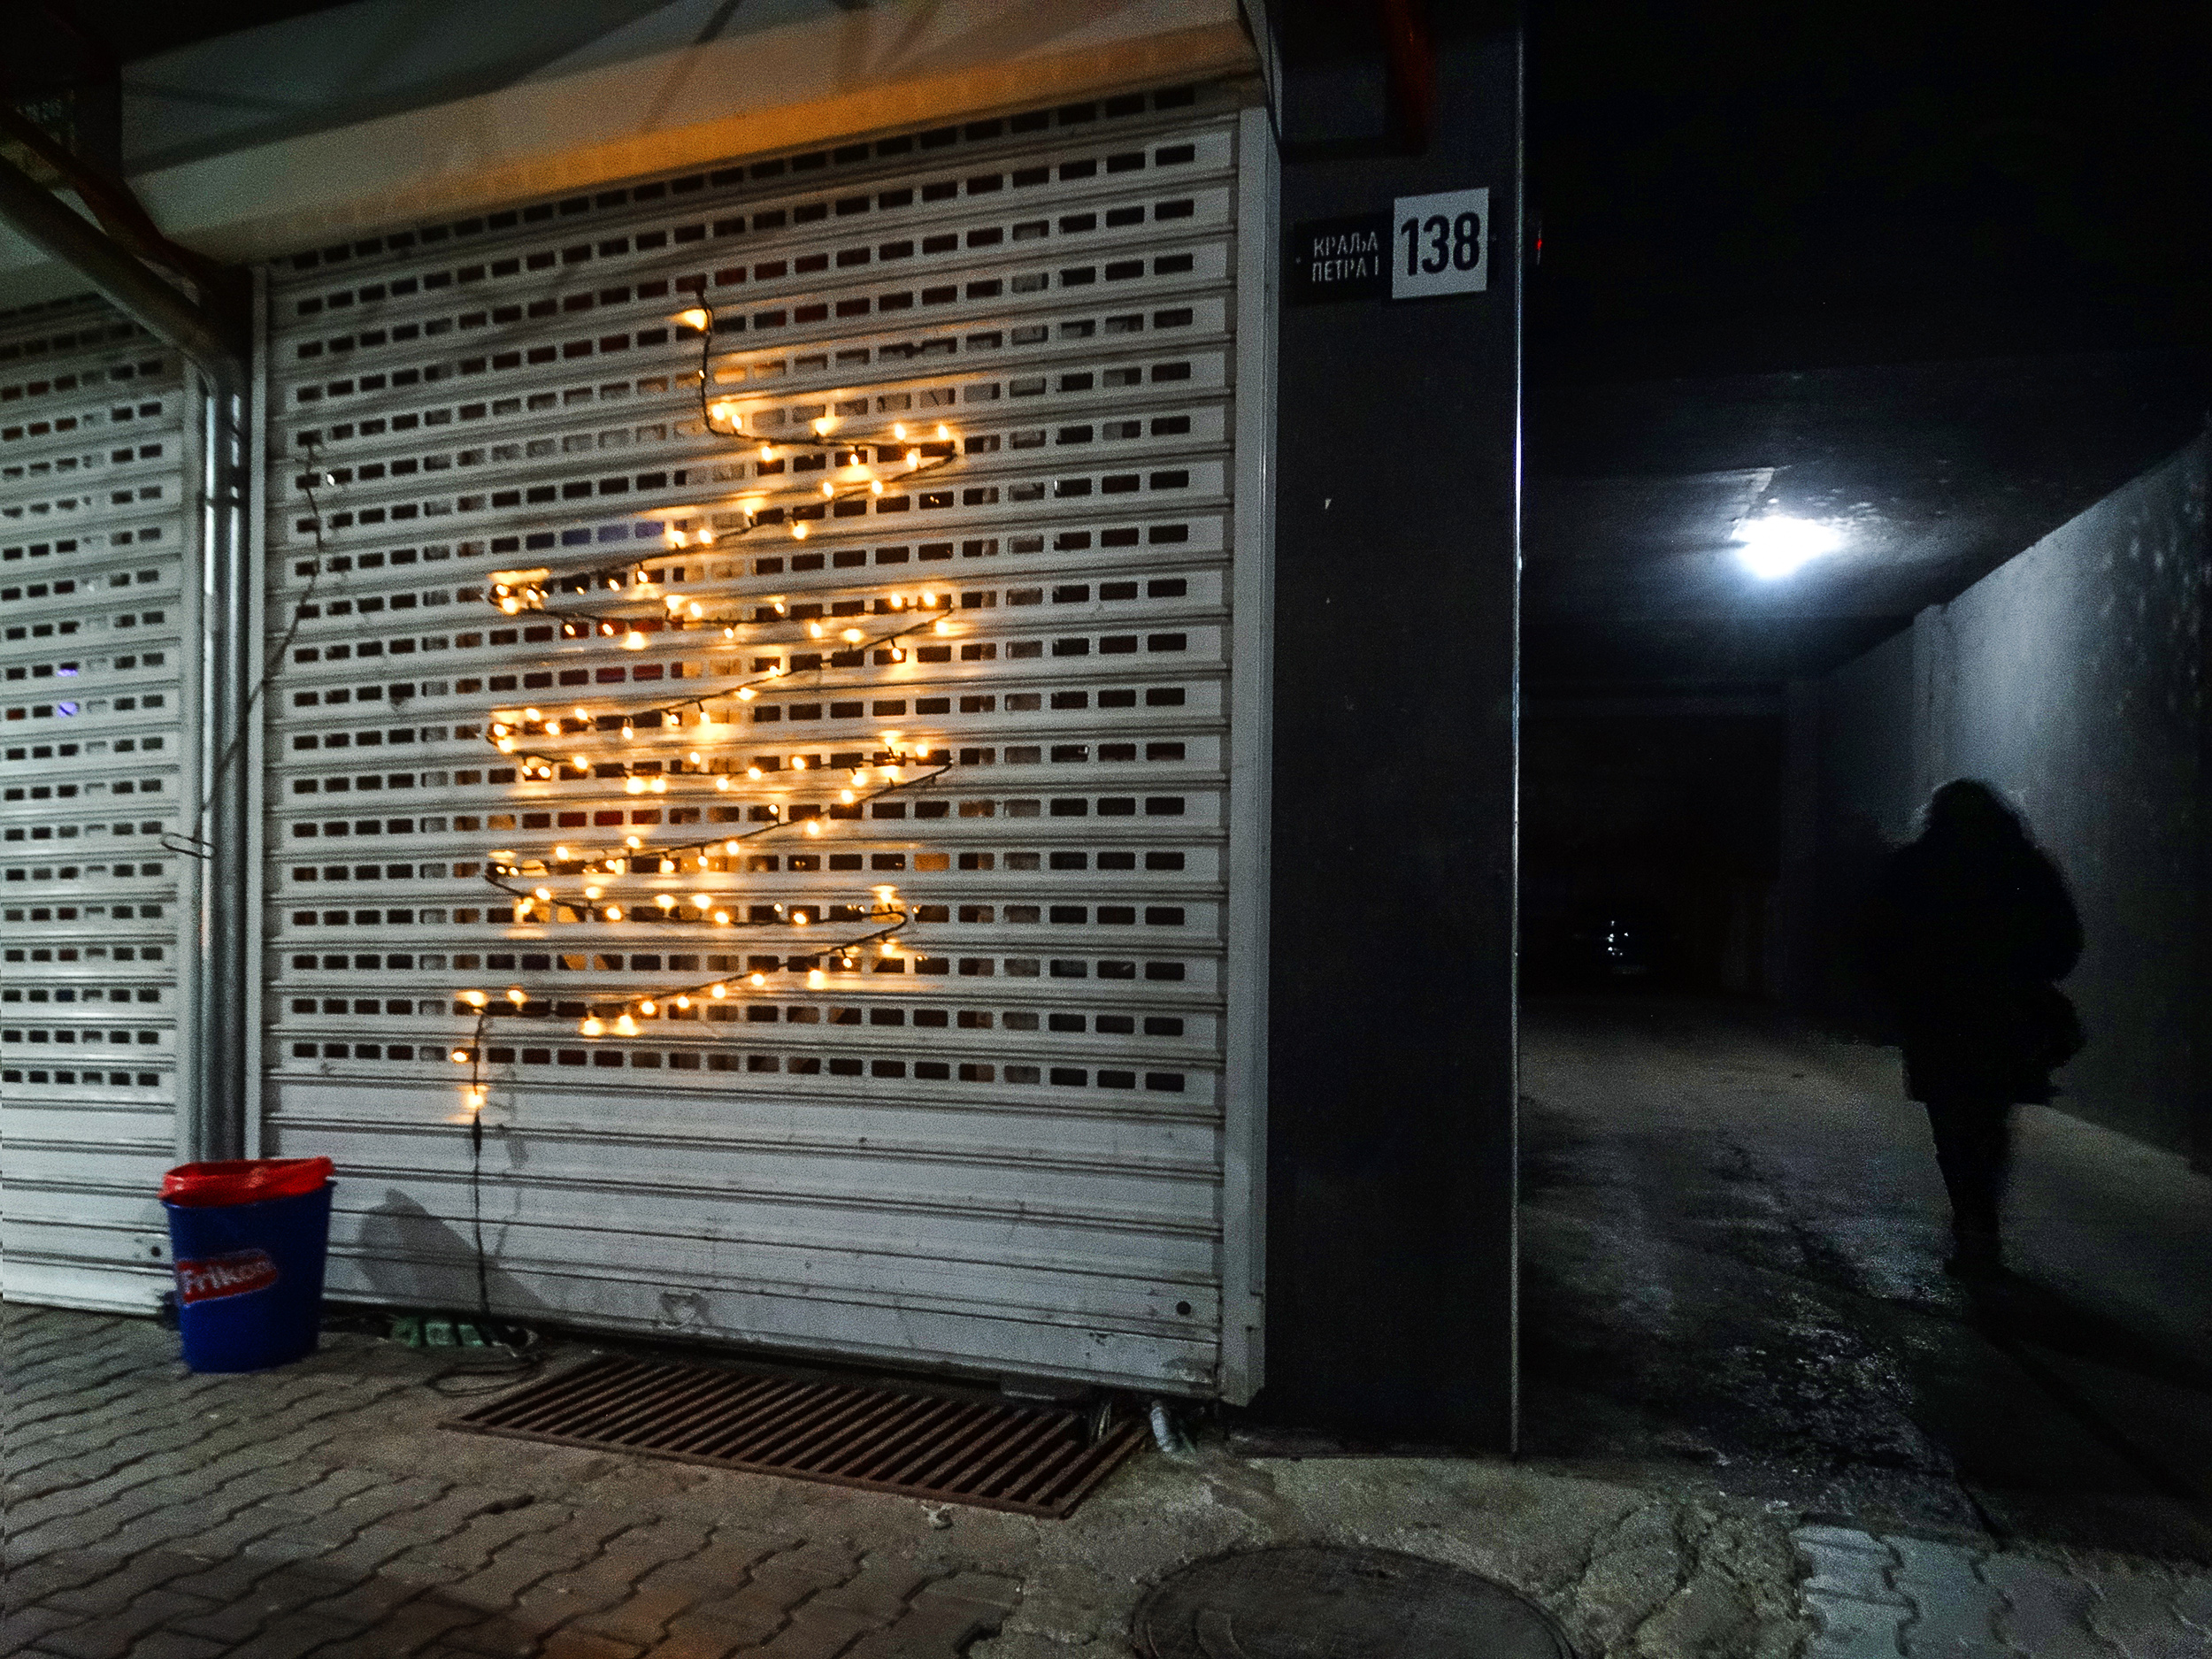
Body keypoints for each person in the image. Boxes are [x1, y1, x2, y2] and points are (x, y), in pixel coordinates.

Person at [1862, 780, 2083, 1279]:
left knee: (1951, 1122)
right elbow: (2064, 940)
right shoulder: (2023, 865)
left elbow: (1878, 941)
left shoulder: (1915, 867)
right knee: (1991, 1119)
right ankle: (1982, 1223)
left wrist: (1902, 995)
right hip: (2005, 1015)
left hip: (1937, 1016)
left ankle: (1972, 1221)